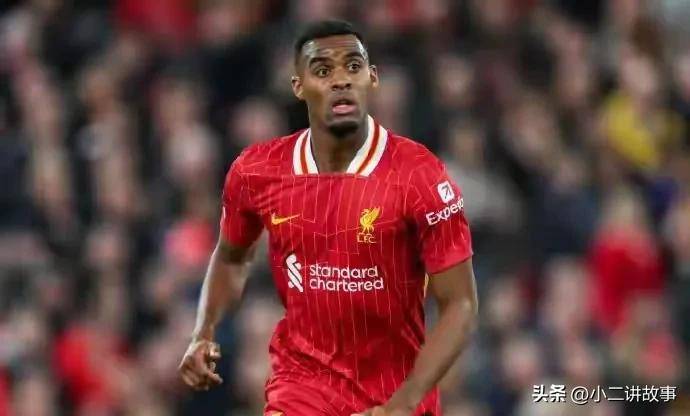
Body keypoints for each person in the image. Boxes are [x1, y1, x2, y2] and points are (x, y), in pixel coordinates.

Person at [178, 20, 478, 416]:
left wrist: (403, 404)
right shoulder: (257, 171)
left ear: (372, 78)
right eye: (322, 70)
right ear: (298, 86)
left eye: (353, 66)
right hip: (300, 390)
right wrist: (203, 331)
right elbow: (232, 257)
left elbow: (460, 304)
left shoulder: (419, 176)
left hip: (393, 396)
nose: (341, 80)